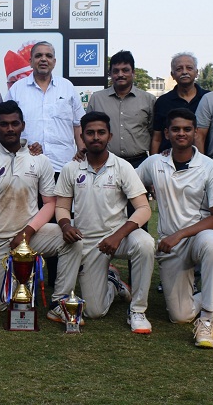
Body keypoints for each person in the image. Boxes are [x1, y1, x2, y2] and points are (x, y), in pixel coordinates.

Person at [54, 111, 156, 333]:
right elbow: (61, 206)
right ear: (82, 136)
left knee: (146, 243)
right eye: (90, 133)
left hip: (119, 237)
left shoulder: (123, 167)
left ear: (110, 136)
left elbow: (143, 209)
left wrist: (118, 235)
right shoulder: (71, 168)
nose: (96, 137)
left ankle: (137, 310)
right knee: (94, 312)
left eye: (101, 132)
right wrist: (65, 225)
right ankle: (113, 282)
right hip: (88, 242)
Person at [137, 108, 213, 348]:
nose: (181, 134)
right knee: (180, 316)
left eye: (187, 129)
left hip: (198, 236)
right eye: (175, 129)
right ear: (166, 133)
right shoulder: (155, 163)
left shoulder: (210, 167)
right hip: (171, 244)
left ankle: (207, 319)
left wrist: (181, 234)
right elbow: (128, 184)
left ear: (195, 132)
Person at [0, 100, 68, 313]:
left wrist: (27, 232)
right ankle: (23, 283)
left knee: (71, 239)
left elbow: (50, 204)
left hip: (33, 235)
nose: (10, 128)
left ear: (22, 125)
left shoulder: (39, 160)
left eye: (14, 123)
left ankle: (60, 301)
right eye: (4, 124)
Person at [6, 41, 85, 173]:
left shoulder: (67, 87)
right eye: (38, 56)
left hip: (64, 166)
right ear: (30, 61)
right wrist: (21, 148)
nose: (43, 59)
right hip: (27, 166)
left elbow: (78, 125)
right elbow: (7, 127)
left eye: (48, 56)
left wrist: (82, 155)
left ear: (54, 62)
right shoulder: (16, 89)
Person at [86, 50, 156, 168]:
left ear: (133, 72)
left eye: (125, 70)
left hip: (140, 163)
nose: (120, 74)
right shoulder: (97, 99)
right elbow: (88, 130)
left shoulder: (148, 100)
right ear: (110, 74)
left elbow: (154, 133)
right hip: (105, 162)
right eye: (116, 71)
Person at [152, 53, 208, 154]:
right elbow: (157, 138)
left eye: (189, 68)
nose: (184, 72)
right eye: (179, 69)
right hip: (168, 162)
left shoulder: (208, 98)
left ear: (197, 72)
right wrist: (153, 162)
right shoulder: (163, 101)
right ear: (172, 75)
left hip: (203, 161)